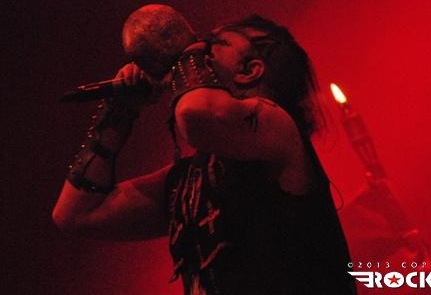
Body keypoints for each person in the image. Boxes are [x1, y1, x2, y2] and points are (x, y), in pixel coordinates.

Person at [52, 15, 357, 294]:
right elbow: (77, 214)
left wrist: (184, 49)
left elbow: (196, 115)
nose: (198, 53)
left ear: (249, 71)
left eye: (212, 45)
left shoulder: (278, 127)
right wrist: (119, 112)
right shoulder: (189, 182)